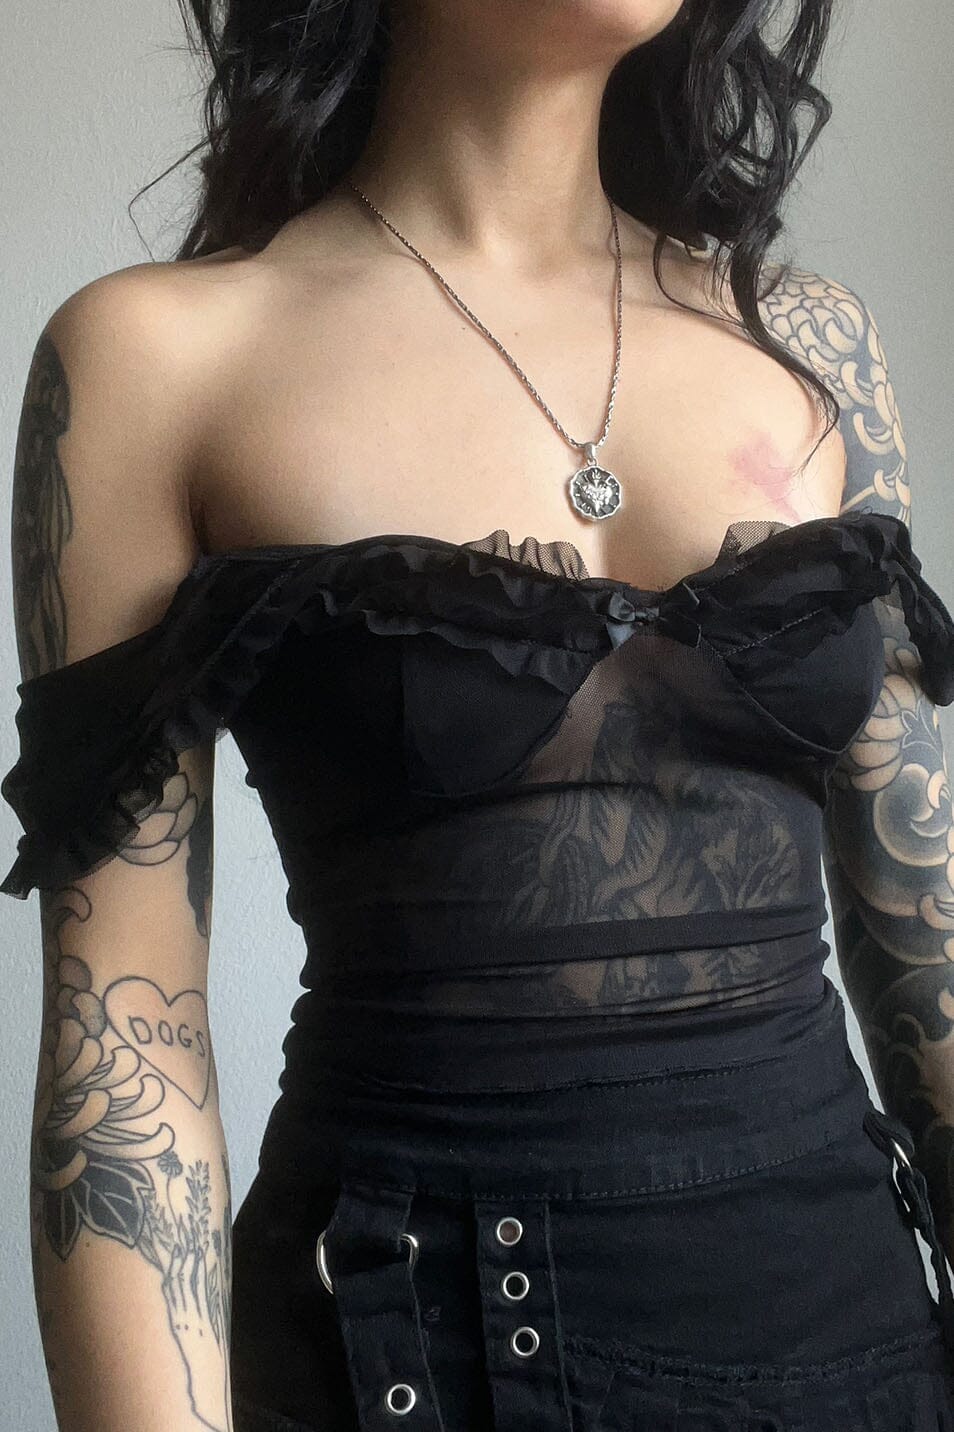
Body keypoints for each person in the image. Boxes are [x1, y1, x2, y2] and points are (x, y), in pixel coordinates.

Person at [4, 1, 954, 1428]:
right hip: (414, 1347)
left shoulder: (808, 341)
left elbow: (926, 916)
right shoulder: (155, 355)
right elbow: (123, 1039)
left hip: (853, 1332)